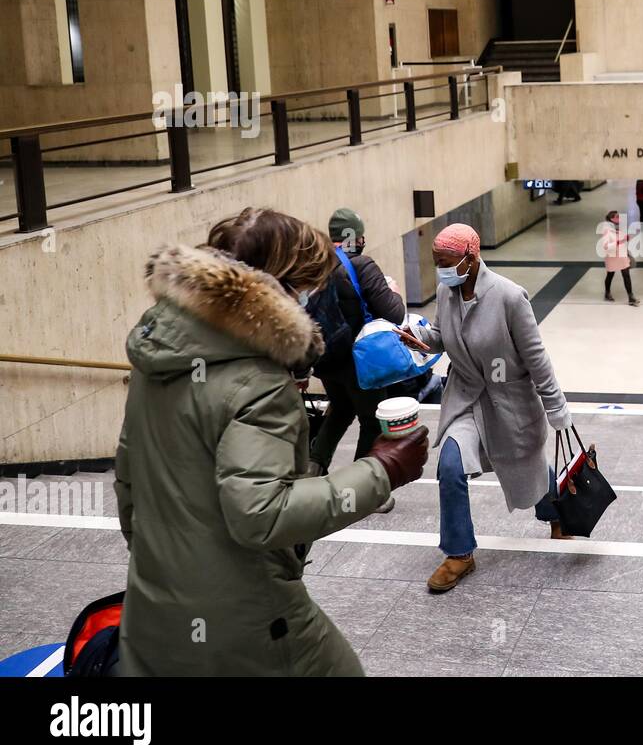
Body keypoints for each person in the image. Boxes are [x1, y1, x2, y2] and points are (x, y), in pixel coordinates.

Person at [114, 208, 429, 675]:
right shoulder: (257, 382)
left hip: (151, 602)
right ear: (278, 290)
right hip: (246, 613)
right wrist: (383, 469)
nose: (312, 300)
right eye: (308, 287)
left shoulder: (159, 359)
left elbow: (128, 487)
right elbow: (261, 514)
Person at [398, 224, 573, 593]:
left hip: (508, 402)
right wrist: (423, 340)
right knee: (449, 464)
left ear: (470, 258)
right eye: (435, 263)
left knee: (528, 464)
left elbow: (536, 357)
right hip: (465, 396)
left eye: (445, 263)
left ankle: (557, 513)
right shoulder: (447, 292)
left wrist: (556, 407)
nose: (440, 271)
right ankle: (460, 553)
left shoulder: (510, 297)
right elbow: (445, 335)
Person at [308, 209, 408, 514]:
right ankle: (362, 492)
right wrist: (393, 292)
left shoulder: (316, 265)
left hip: (326, 359)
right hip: (360, 363)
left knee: (340, 409)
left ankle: (313, 468)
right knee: (372, 420)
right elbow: (394, 314)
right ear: (356, 236)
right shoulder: (362, 265)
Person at [599, 209, 640, 306]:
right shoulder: (606, 230)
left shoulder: (619, 227)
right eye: (617, 217)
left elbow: (621, 238)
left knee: (626, 275)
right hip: (612, 257)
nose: (619, 218)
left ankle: (631, 297)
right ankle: (607, 292)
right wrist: (619, 242)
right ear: (612, 219)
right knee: (610, 275)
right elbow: (606, 246)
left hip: (621, 255)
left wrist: (626, 238)